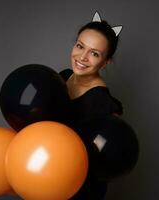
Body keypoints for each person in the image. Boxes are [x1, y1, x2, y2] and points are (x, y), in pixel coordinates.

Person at [60, 12, 123, 200]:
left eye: (94, 53)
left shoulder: (102, 103)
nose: (82, 57)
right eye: (80, 46)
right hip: (49, 175)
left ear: (106, 62)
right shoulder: (63, 77)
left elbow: (104, 157)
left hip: (79, 189)